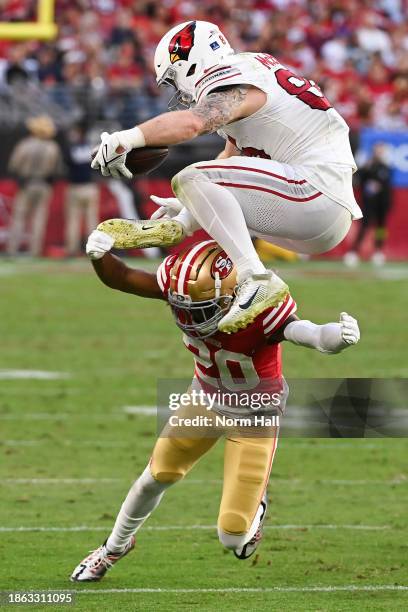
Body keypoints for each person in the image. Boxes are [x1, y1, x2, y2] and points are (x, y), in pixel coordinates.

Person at [70, 228, 360, 582]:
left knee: (232, 536)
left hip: (256, 412)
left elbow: (309, 333)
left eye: (202, 309)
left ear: (234, 294)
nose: (189, 317)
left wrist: (336, 338)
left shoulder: (261, 306)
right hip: (204, 397)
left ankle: (256, 508)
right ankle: (112, 549)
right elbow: (124, 278)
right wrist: (100, 258)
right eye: (183, 307)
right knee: (155, 476)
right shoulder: (188, 286)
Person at [91, 20, 362, 334]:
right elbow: (230, 160)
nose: (178, 90)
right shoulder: (253, 70)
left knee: (191, 177)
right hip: (322, 216)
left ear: (190, 63)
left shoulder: (234, 75)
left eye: (173, 79)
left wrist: (129, 138)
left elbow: (194, 123)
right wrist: (189, 211)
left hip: (313, 191)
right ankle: (179, 228)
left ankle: (255, 278)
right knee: (198, 185)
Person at [6, 115, 63, 257]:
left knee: (19, 217)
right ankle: (34, 251)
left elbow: (14, 165)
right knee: (39, 218)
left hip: (26, 184)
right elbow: (58, 169)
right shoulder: (53, 147)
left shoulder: (24, 144)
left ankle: (12, 249)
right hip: (44, 185)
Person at [344, 142, 392, 266]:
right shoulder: (368, 166)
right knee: (364, 227)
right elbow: (357, 181)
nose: (379, 152)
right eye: (377, 150)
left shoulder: (386, 167)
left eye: (381, 150)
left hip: (382, 204)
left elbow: (387, 186)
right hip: (369, 204)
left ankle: (378, 251)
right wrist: (364, 168)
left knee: (381, 228)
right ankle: (354, 252)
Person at [63, 125, 99, 257]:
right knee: (91, 220)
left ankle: (71, 249)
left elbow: (66, 163)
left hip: (75, 187)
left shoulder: (71, 148)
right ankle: (93, 249)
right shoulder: (92, 147)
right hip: (90, 187)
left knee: (73, 220)